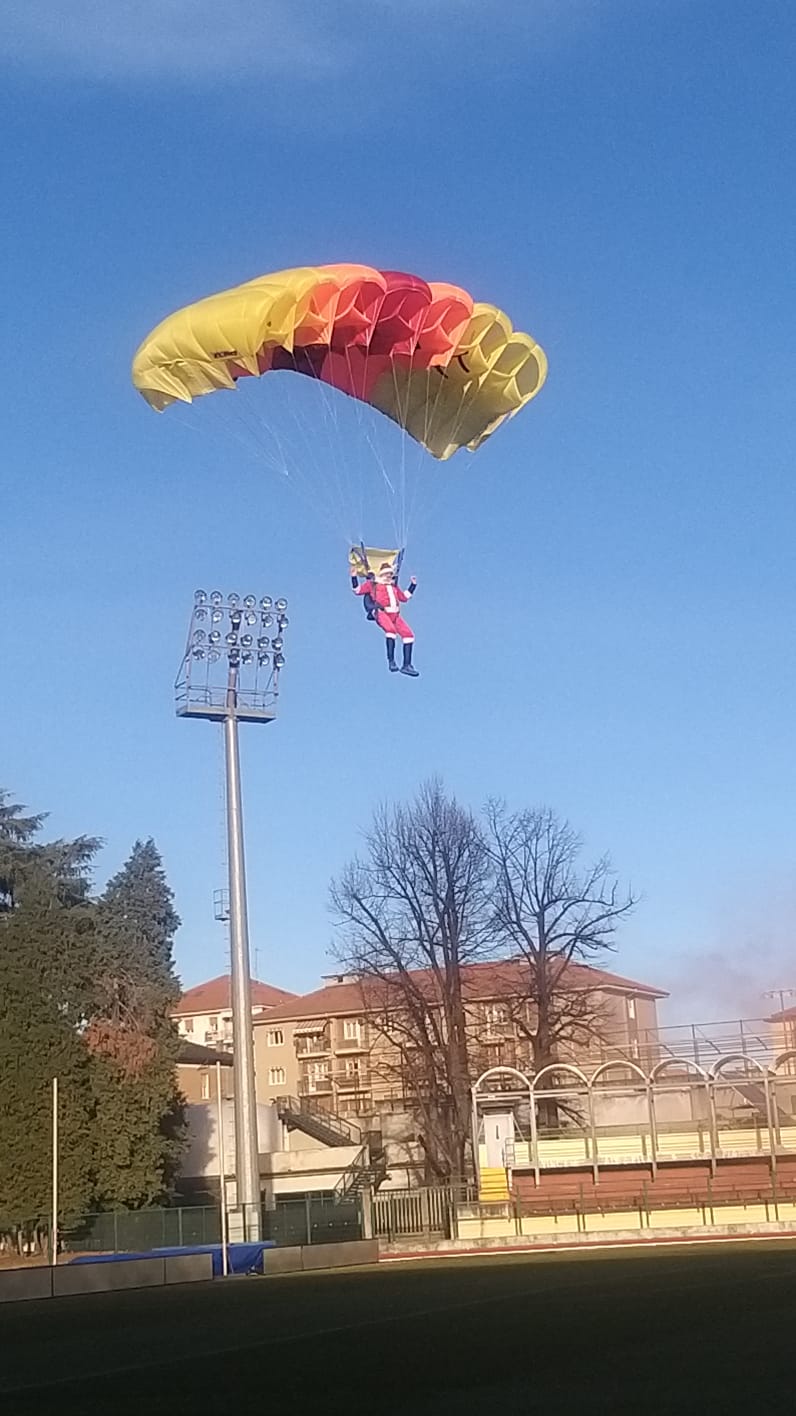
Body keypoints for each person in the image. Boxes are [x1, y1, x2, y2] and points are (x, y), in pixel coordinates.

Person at [350, 561, 419, 676]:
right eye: (387, 574)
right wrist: (353, 577)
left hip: (395, 614)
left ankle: (407, 665)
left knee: (409, 635)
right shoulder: (373, 585)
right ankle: (391, 661)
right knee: (390, 631)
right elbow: (357, 591)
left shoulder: (393, 587)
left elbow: (404, 597)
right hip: (382, 612)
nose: (389, 576)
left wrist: (413, 585)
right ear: (381, 575)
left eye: (390, 574)